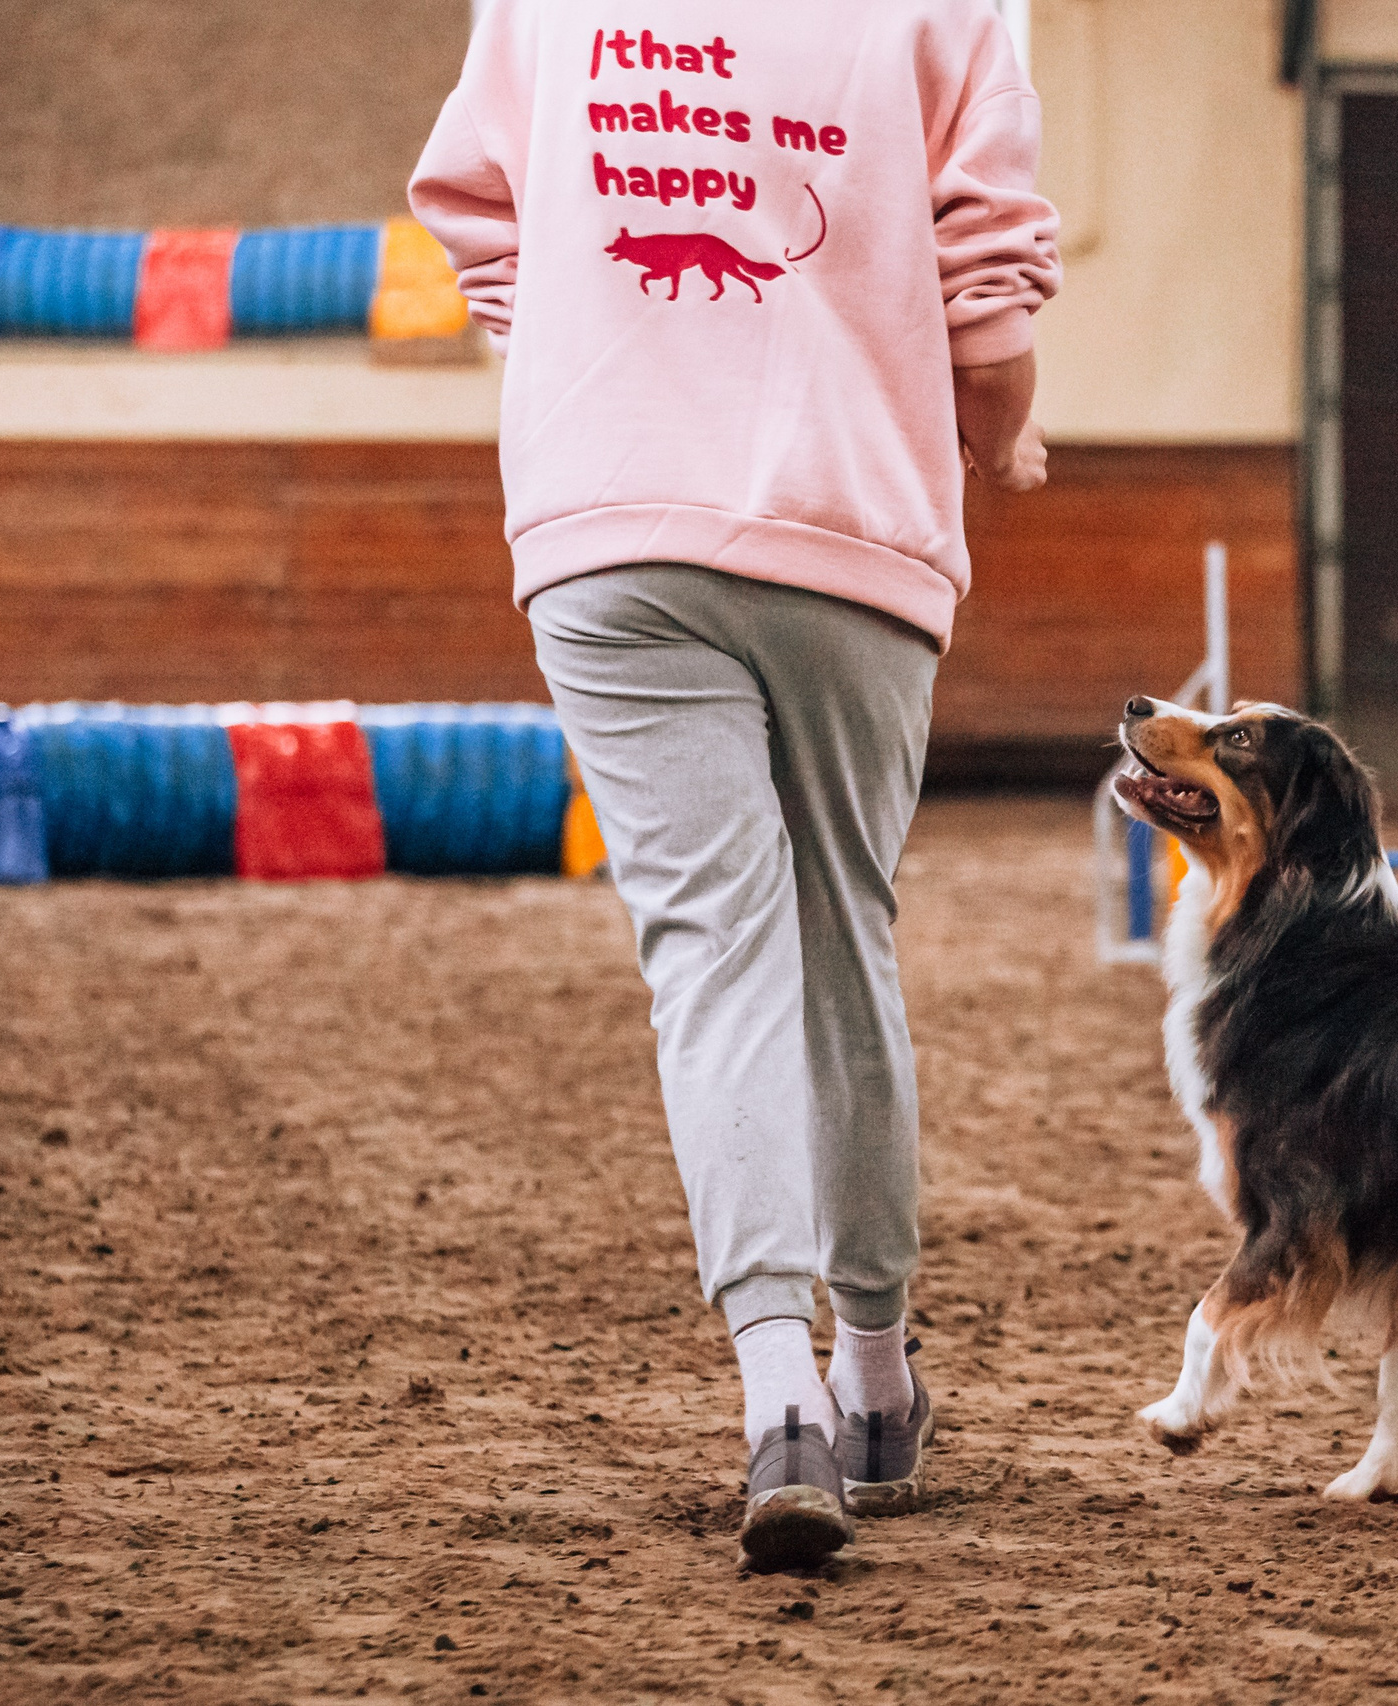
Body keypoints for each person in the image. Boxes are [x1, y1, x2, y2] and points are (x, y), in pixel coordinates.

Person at [408, 0, 1058, 1571]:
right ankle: (879, 1383)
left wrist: (600, 360)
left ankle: (779, 1398)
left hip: (606, 521)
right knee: (845, 931)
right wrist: (1004, 434)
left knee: (709, 950)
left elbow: (476, 210)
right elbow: (990, 280)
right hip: (853, 528)